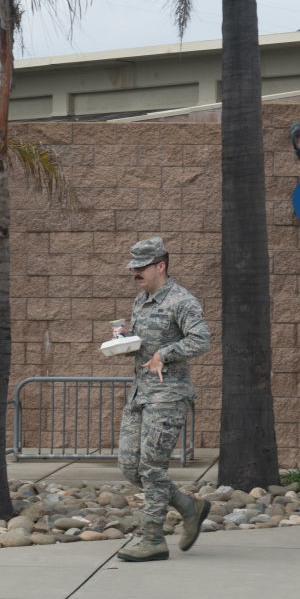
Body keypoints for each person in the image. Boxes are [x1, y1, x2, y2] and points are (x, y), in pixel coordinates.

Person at [116, 236, 212, 562]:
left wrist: (164, 354)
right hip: (140, 394)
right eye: (133, 268)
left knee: (152, 468)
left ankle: (153, 539)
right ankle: (189, 506)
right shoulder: (141, 300)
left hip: (168, 396)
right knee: (130, 467)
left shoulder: (182, 301)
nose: (135, 273)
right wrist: (124, 343)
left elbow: (201, 339)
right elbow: (144, 343)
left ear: (161, 266)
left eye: (141, 267)